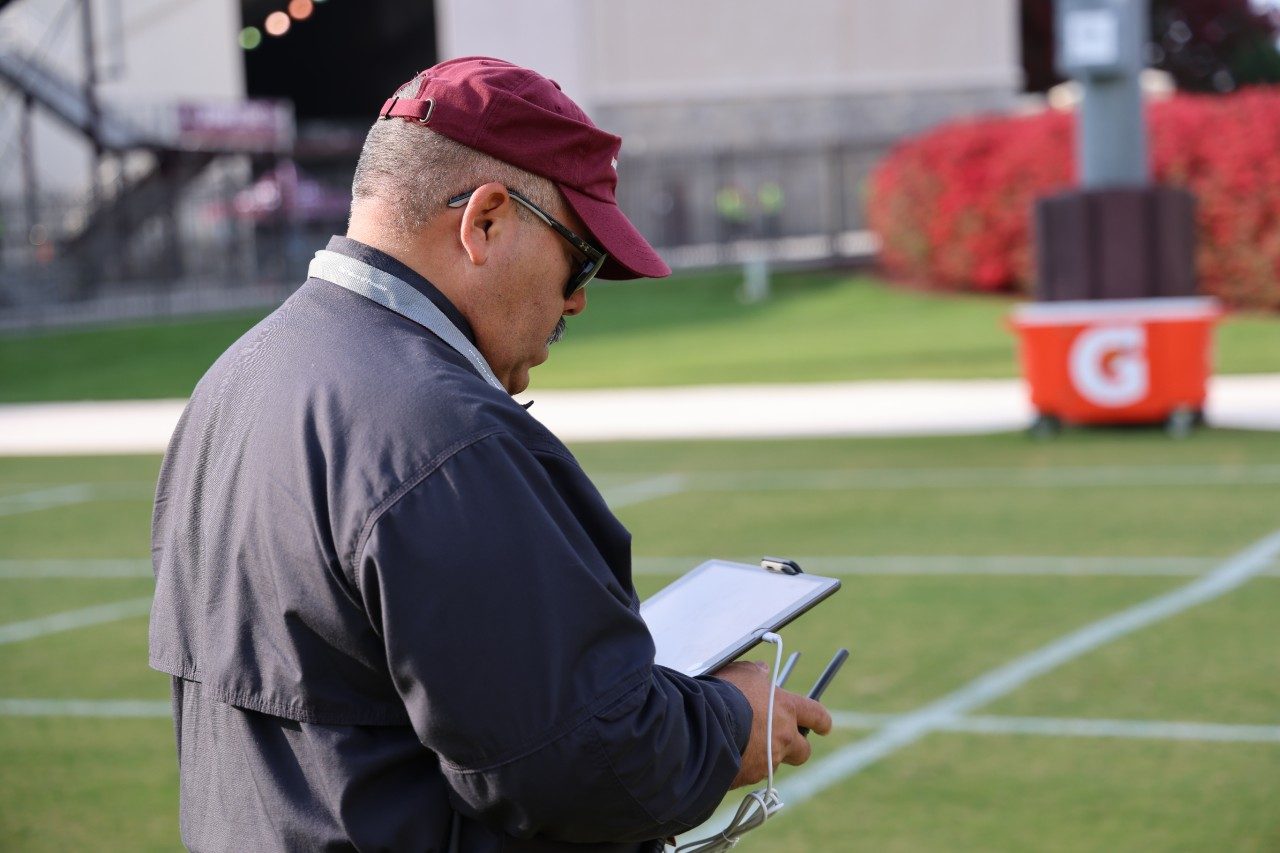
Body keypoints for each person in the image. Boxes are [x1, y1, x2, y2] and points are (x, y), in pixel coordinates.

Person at [149, 56, 831, 852]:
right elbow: (576, 765)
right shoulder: (444, 432)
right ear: (487, 221)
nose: (578, 297)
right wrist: (730, 721)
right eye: (580, 259)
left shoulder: (235, 378)